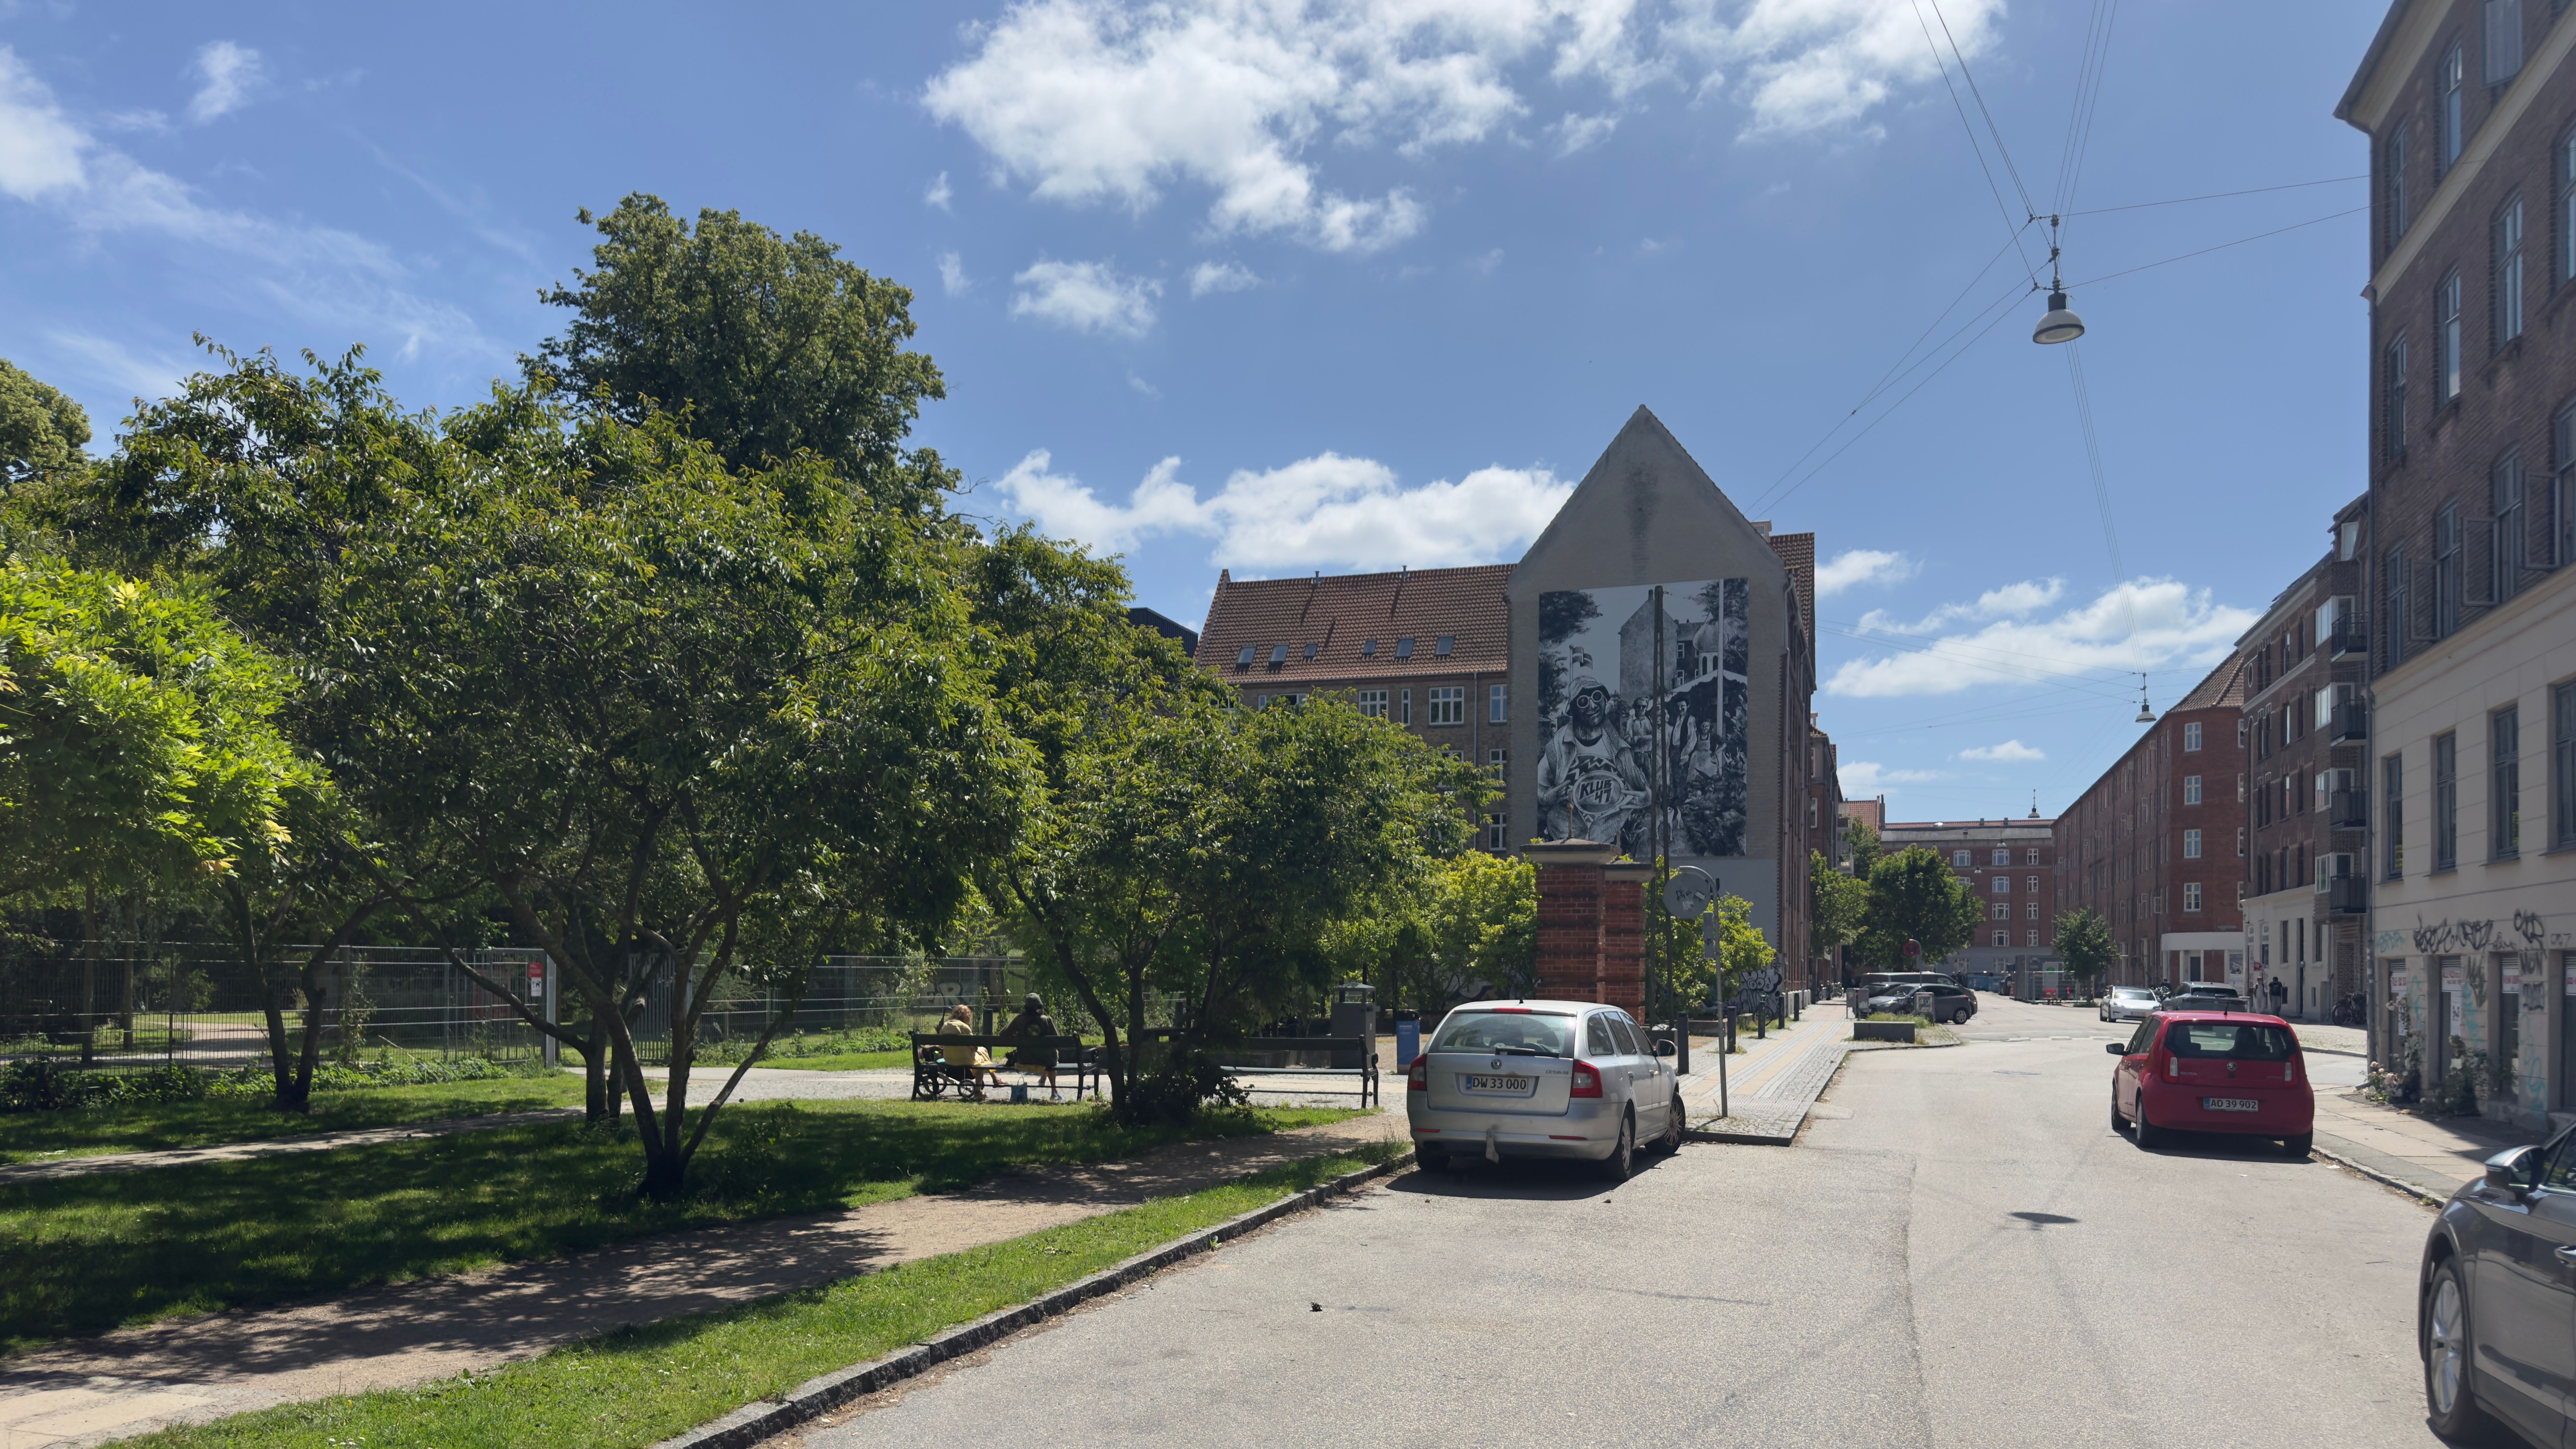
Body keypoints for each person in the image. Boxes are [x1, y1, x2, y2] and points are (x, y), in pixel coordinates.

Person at [998, 993, 1063, 1099]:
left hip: (1025, 1058)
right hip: (1046, 1060)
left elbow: (1003, 1034)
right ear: (1040, 1006)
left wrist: (1017, 1036)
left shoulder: (1020, 1020)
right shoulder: (1046, 1020)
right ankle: (1054, 1092)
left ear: (1026, 1007)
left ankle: (1044, 1078)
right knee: (1051, 1055)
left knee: (1048, 1054)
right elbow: (1057, 1039)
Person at [934, 1003, 997, 1090]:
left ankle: (996, 1079)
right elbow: (974, 1048)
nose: (970, 1019)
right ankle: (979, 1091)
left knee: (983, 1050)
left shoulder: (945, 1026)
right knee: (982, 1061)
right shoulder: (964, 1027)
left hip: (949, 1060)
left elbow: (941, 1045)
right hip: (965, 1061)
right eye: (969, 1016)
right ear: (964, 1015)